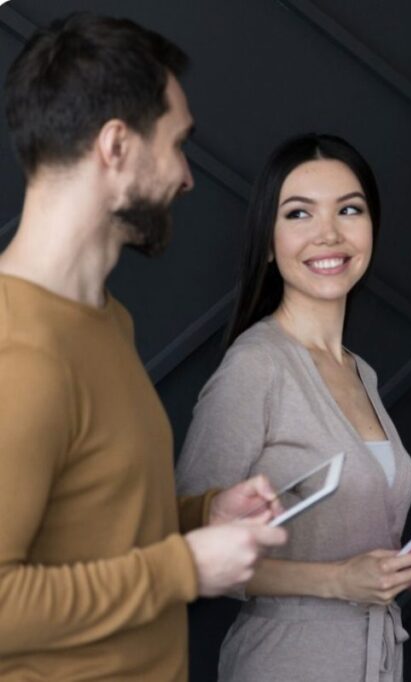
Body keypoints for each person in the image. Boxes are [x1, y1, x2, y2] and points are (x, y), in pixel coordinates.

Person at [0, 13, 287, 682]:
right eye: (177, 143)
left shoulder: (105, 319)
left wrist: (200, 518)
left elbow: (91, 527)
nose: (187, 177)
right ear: (117, 146)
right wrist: (186, 567)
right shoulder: (19, 354)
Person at [176, 133, 411, 682]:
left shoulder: (361, 372)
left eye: (349, 210)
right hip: (287, 662)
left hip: (376, 663)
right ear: (268, 240)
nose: (329, 233)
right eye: (299, 213)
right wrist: (337, 581)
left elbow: (360, 533)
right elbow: (191, 548)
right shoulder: (256, 367)